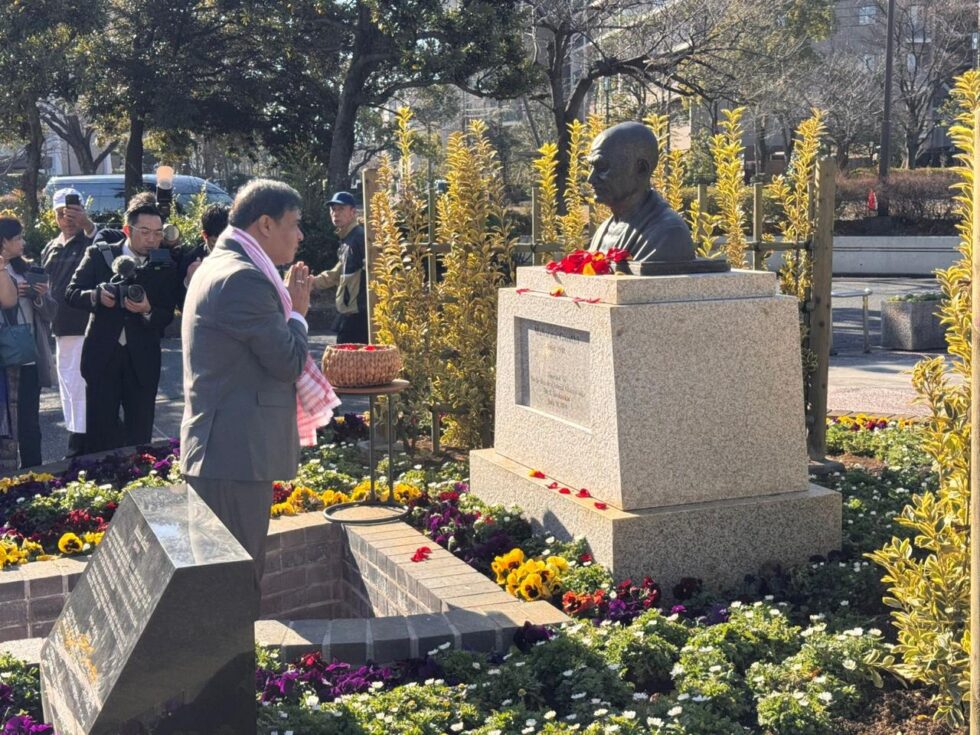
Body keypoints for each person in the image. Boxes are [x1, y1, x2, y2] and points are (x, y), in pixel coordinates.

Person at [180, 179, 339, 601]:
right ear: (265, 224)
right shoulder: (243, 279)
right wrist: (299, 315)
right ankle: (230, 666)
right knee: (233, 586)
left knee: (223, 580)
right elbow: (287, 362)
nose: (301, 235)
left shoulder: (222, 265)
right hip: (234, 456)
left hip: (226, 452)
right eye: (295, 224)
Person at [64, 200, 180, 453]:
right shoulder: (100, 254)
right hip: (102, 354)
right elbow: (71, 292)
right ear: (128, 230)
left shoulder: (165, 264)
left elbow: (167, 314)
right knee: (101, 433)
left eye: (158, 233)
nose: (152, 240)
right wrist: (96, 297)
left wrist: (148, 310)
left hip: (142, 358)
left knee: (140, 433)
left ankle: (139, 485)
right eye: (145, 232)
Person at [40, 188, 97, 457]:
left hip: (84, 325)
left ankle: (83, 441)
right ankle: (76, 436)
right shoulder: (50, 247)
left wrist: (88, 225)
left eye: (74, 211)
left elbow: (100, 239)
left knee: (81, 383)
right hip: (59, 326)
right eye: (62, 212)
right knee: (67, 384)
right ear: (54, 215)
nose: (68, 218)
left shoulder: (90, 240)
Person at [587, 121, 695, 264]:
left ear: (641, 169)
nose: (590, 178)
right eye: (591, 167)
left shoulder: (668, 233)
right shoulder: (604, 229)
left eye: (602, 167)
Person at [0, 218, 53, 468]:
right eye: (18, 238)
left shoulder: (28, 269)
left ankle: (34, 474)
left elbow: (51, 312)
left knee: (29, 420)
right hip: (4, 357)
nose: (23, 242)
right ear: (4, 242)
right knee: (5, 422)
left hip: (28, 354)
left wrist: (39, 296)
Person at [311, 191, 368, 344]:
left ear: (353, 212)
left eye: (341, 209)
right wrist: (312, 282)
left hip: (360, 315)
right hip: (351, 314)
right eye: (333, 209)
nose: (335, 213)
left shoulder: (359, 237)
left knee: (348, 364)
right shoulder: (347, 238)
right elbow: (337, 272)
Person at [179, 202, 229, 291]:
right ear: (204, 235)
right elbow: (178, 300)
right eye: (215, 243)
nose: (223, 250)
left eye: (229, 242)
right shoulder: (189, 261)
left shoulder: (245, 257)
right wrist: (188, 283)